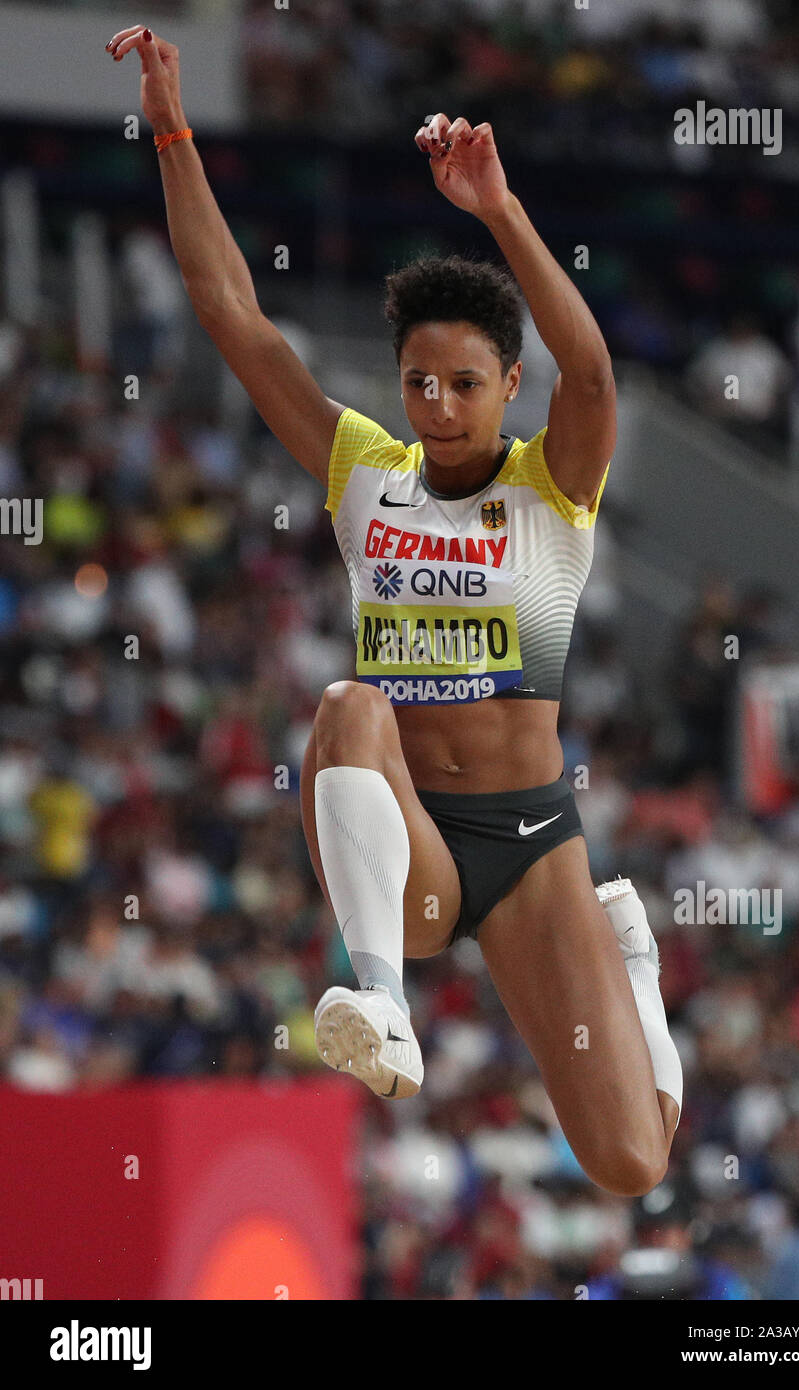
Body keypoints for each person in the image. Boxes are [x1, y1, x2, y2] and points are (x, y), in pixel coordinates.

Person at [107, 24, 682, 1197]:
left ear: (504, 387)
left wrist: (499, 210)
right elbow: (234, 316)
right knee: (347, 702)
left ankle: (633, 963)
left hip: (529, 848)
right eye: (418, 379)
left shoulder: (550, 486)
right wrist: (168, 126)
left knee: (630, 1163)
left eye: (464, 383)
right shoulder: (363, 468)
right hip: (410, 846)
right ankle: (377, 994)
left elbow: (594, 378)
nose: (436, 403)